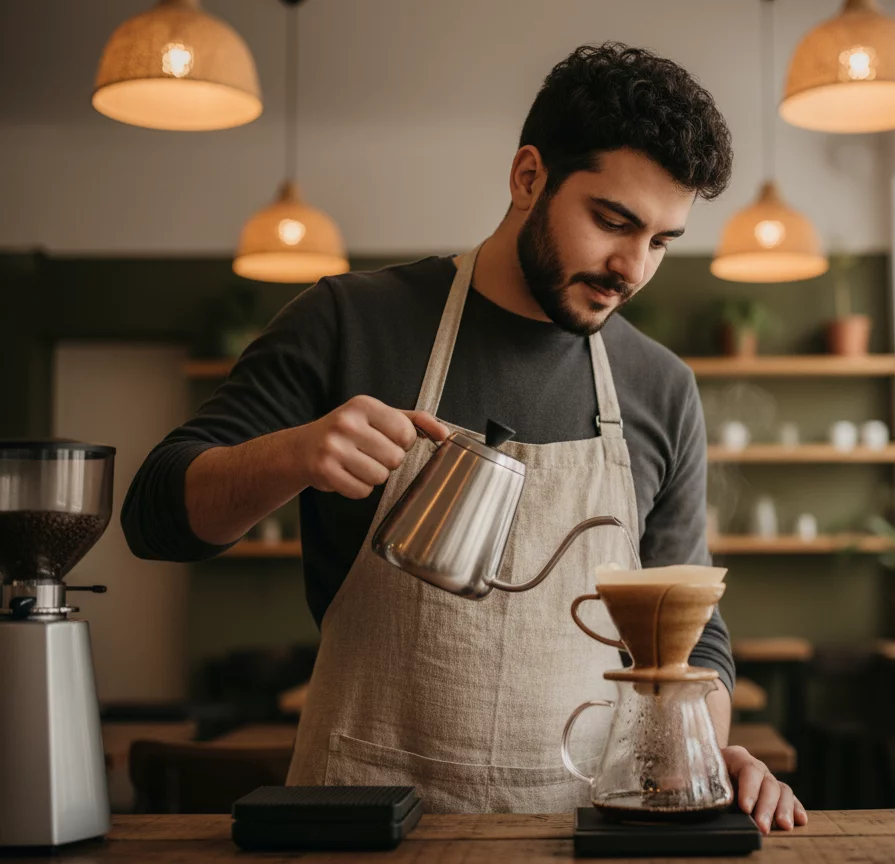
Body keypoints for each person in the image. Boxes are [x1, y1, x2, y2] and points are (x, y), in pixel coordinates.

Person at [123, 42, 806, 832]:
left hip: (577, 827)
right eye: (612, 221)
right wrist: (296, 453)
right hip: (360, 824)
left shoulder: (660, 387)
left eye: (660, 240)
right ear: (528, 177)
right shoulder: (349, 321)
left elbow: (692, 631)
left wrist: (698, 745)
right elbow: (153, 516)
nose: (632, 268)